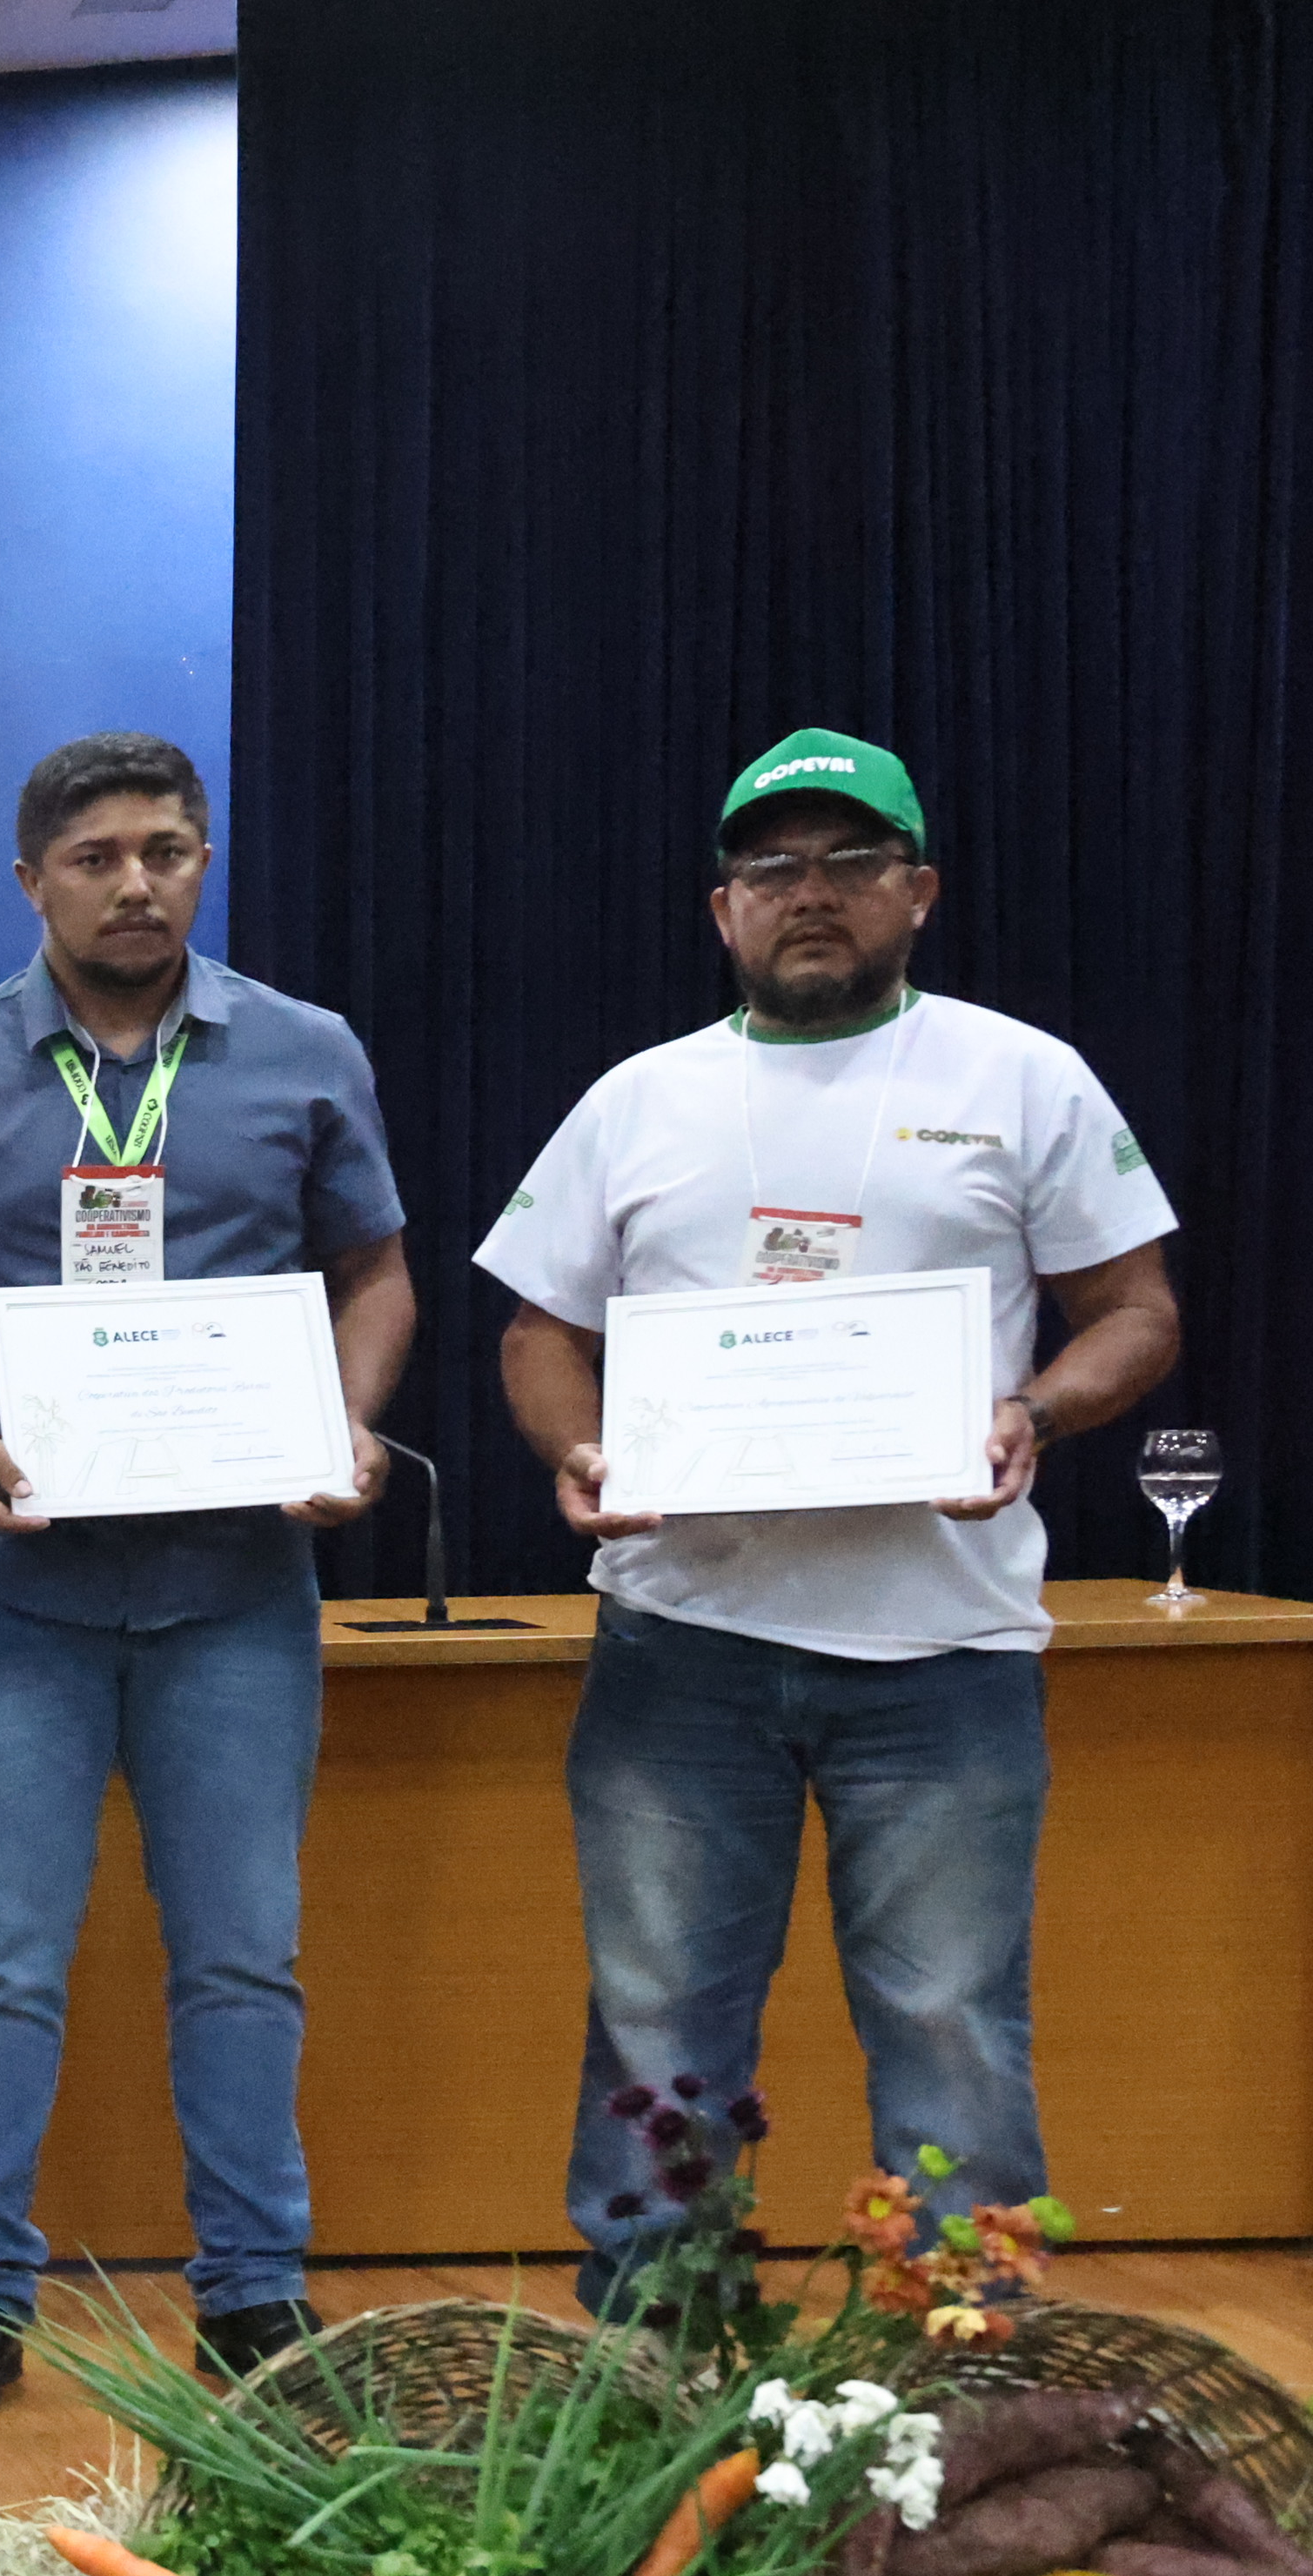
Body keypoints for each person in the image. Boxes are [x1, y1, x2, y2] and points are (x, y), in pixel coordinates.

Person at [477, 732, 1179, 2315]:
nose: (809, 896)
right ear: (718, 908)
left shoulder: (1019, 1075)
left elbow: (1132, 1310)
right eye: (770, 868)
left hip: (939, 1654)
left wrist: (1035, 1410)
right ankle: (658, 2346)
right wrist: (573, 1445)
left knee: (948, 2021)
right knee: (658, 2023)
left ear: (914, 893)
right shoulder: (636, 1099)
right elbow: (534, 1329)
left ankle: (959, 2346)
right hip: (682, 1649)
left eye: (847, 864)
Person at [0, 733, 414, 2426]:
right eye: (97, 855)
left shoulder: (304, 1054)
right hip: (11, 1596)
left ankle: (255, 2301)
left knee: (243, 1955)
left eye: (167, 847)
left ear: (202, 860)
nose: (136, 879)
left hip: (235, 1588)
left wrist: (346, 1424)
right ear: (33, 881)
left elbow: (376, 1272)